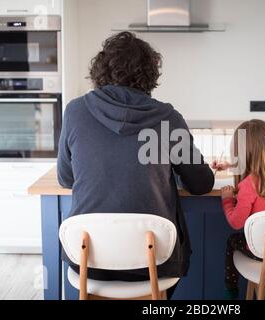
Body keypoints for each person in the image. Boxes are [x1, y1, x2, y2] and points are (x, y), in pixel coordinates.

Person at [57, 32, 214, 295]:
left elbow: (66, 178)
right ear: (150, 74)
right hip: (155, 263)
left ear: (100, 70)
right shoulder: (167, 118)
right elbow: (201, 184)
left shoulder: (76, 111)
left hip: (89, 261)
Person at [212, 120, 265, 299]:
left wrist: (227, 201)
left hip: (260, 251)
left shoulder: (248, 185)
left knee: (232, 241)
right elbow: (256, 165)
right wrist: (230, 166)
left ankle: (230, 292)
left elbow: (236, 222)